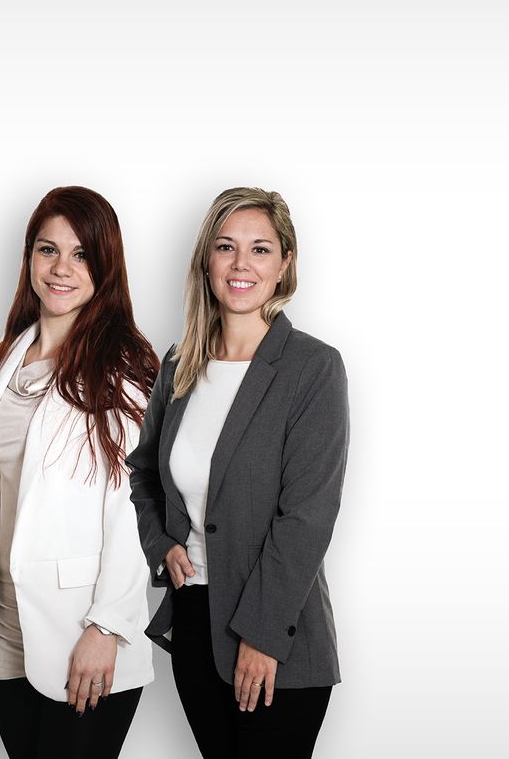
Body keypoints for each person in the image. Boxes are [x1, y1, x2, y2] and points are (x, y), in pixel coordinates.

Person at [127, 187, 349, 758]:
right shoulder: (180, 364)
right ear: (207, 261)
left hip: (276, 635)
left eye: (260, 249)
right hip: (194, 622)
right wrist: (161, 544)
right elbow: (143, 473)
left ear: (285, 264)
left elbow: (306, 517)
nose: (241, 263)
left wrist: (262, 634)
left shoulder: (312, 368)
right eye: (226, 247)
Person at [0, 186, 160, 759]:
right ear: (29, 258)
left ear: (105, 266)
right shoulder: (7, 357)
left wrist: (107, 626)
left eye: (81, 255)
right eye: (48, 250)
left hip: (83, 634)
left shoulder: (120, 369)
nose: (61, 269)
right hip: (8, 629)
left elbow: (135, 505)